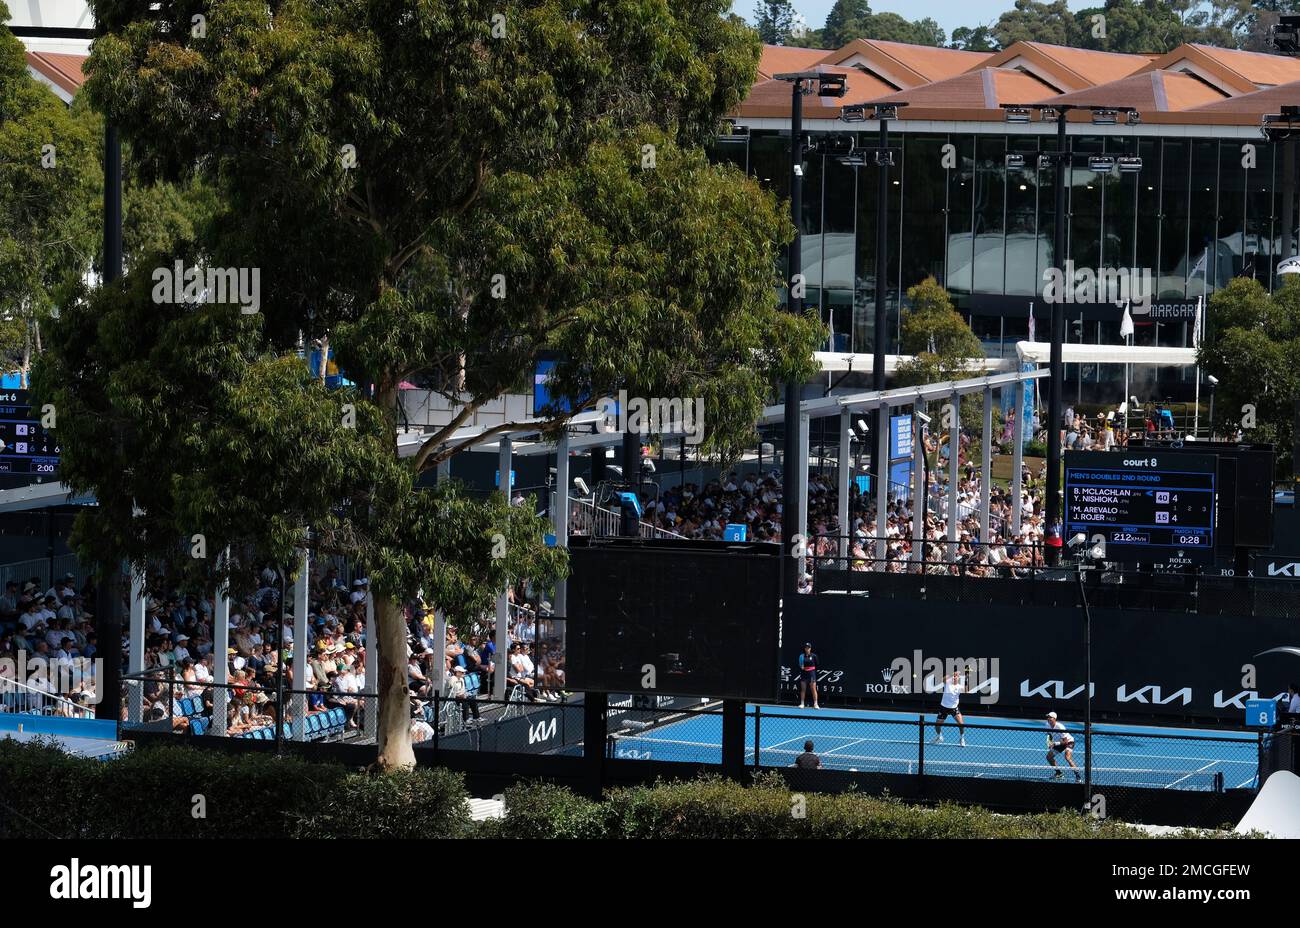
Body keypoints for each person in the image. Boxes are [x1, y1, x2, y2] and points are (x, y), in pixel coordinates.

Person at [932, 670, 967, 746]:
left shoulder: (960, 687)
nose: (954, 678)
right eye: (954, 676)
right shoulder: (947, 683)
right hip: (943, 708)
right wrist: (952, 673)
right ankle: (939, 736)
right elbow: (943, 679)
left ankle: (962, 738)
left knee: (961, 724)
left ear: (958, 678)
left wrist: (967, 679)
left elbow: (967, 691)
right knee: (937, 726)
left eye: (956, 677)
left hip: (954, 708)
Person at [1045, 711, 1081, 782]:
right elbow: (1049, 735)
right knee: (1049, 757)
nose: (1048, 719)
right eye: (1048, 717)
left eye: (1050, 717)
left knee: (1067, 757)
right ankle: (1059, 773)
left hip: (1069, 742)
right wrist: (1049, 742)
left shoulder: (1060, 726)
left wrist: (1055, 744)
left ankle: (1078, 776)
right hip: (1058, 742)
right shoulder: (1047, 725)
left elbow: (1065, 741)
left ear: (1054, 718)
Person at [798, 642, 820, 710]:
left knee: (813, 689)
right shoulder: (801, 656)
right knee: (803, 689)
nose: (807, 649)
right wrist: (802, 667)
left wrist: (811, 669)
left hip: (811, 674)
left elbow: (817, 664)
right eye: (806, 647)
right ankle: (802, 704)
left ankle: (816, 704)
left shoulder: (814, 656)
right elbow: (800, 664)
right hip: (804, 673)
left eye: (808, 648)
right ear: (804, 648)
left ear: (810, 648)